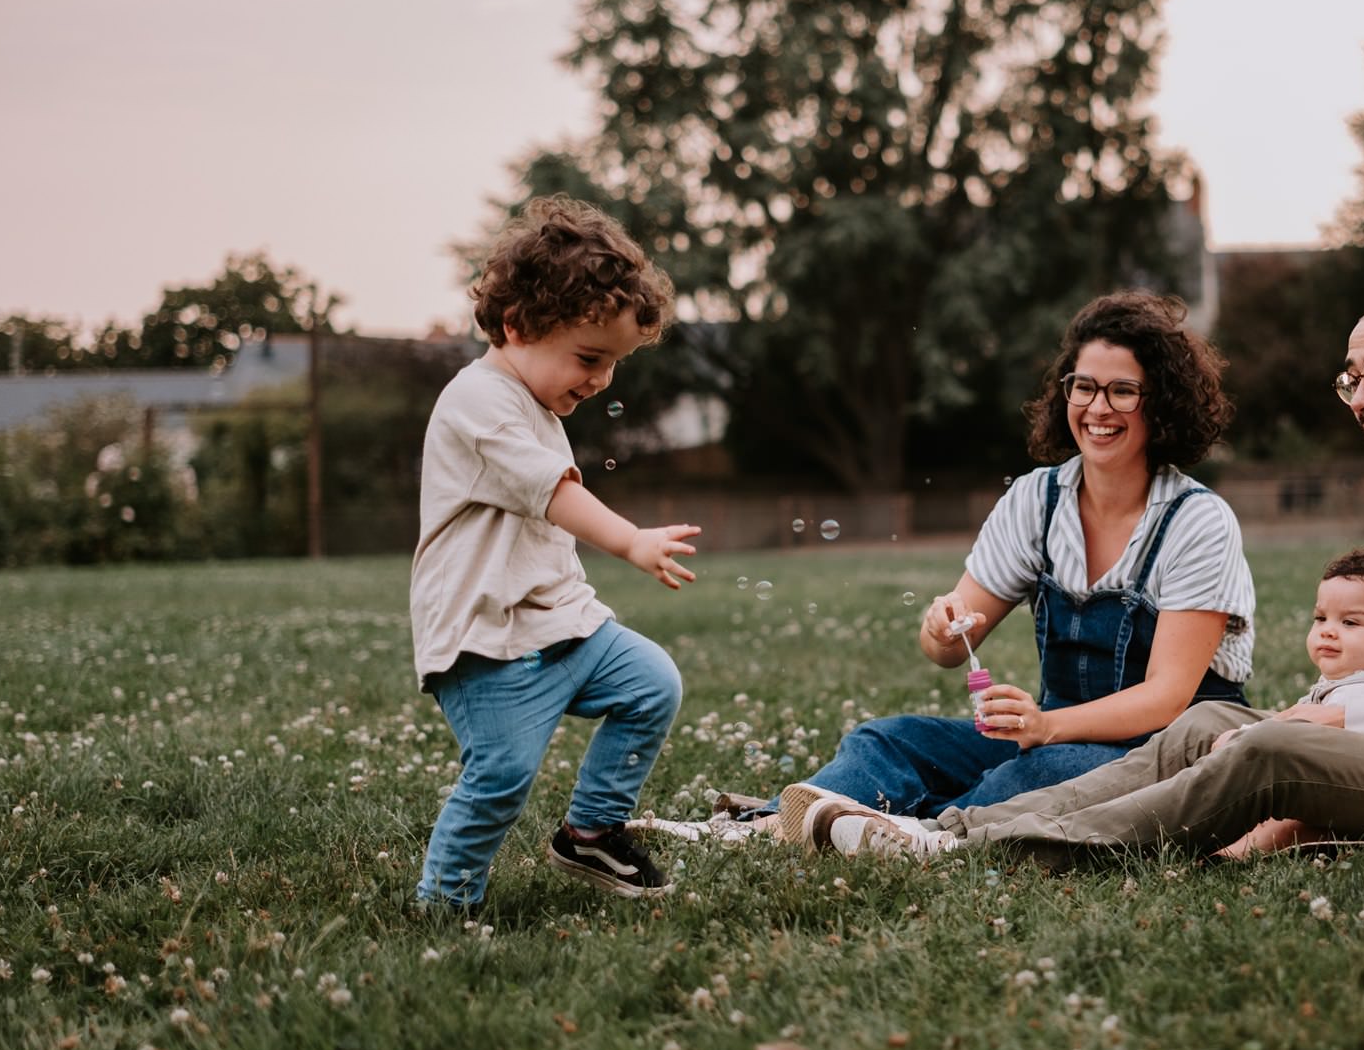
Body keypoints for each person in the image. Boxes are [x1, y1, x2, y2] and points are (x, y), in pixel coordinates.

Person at [786, 290, 1364, 865]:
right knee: (1222, 720)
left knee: (1275, 747)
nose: (1360, 397)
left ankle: (994, 850)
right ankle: (943, 831)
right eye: (1353, 377)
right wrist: (1360, 708)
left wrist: (1352, 715)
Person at [746, 291, 1256, 832]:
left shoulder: (1196, 521)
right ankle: (769, 828)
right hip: (1053, 736)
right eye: (1083, 387)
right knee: (885, 740)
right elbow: (947, 646)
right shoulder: (1037, 501)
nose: (1098, 408)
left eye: (1123, 391)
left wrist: (1047, 725)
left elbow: (1166, 698)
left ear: (1162, 404)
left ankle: (912, 830)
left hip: (1164, 758)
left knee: (1045, 768)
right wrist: (941, 629)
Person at [410, 195, 700, 909]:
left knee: (652, 682)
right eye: (590, 357)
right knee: (503, 774)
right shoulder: (477, 401)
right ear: (517, 325)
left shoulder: (533, 400)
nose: (602, 381)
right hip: (487, 639)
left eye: (614, 365)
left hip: (561, 622)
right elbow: (552, 491)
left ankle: (592, 831)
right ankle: (445, 901)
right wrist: (630, 539)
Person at [1211, 546, 1364, 860]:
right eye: (1321, 618)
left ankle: (1237, 849)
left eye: (1350, 623)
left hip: (1353, 807)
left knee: (1281, 816)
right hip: (1337, 802)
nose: (1327, 631)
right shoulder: (1342, 687)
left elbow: (1299, 742)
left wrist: (1241, 738)